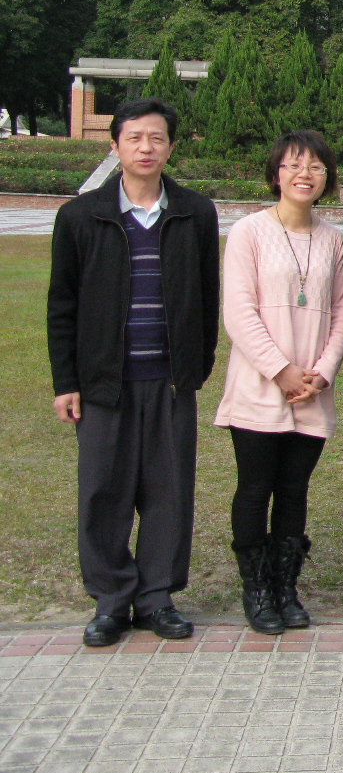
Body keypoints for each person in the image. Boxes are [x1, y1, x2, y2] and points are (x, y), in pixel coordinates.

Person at [47, 98, 220, 647]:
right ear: (116, 145)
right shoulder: (82, 215)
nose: (146, 148)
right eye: (135, 138)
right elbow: (62, 305)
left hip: (169, 379)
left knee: (168, 491)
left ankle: (156, 598)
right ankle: (112, 600)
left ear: (171, 145)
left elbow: (206, 295)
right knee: (104, 490)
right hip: (103, 382)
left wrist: (198, 364)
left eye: (157, 138)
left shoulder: (194, 212)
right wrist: (66, 381)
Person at [215, 131, 343, 634]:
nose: (305, 174)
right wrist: (281, 370)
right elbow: (239, 312)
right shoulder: (249, 232)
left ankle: (285, 586)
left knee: (294, 491)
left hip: (312, 390)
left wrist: (323, 371)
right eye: (295, 165)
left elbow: (342, 312)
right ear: (276, 173)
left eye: (316, 166)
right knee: (255, 489)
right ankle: (256, 590)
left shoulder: (333, 239)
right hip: (259, 386)